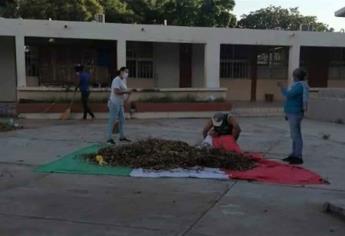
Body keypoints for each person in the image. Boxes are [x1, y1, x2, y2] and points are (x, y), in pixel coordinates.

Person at [278, 68, 309, 165]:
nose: (293, 77)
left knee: (296, 135)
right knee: (294, 135)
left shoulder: (299, 86)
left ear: (296, 76)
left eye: (294, 75)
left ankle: (298, 156)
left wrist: (282, 86)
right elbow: (287, 94)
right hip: (292, 112)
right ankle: (294, 154)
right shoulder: (297, 85)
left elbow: (289, 94)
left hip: (295, 112)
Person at [106, 67, 131, 144]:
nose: (126, 74)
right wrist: (126, 92)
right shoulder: (116, 80)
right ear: (121, 72)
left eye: (127, 72)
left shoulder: (123, 80)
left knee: (122, 120)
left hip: (120, 104)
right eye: (125, 72)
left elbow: (124, 91)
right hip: (114, 103)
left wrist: (127, 94)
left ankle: (122, 137)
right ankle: (109, 139)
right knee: (112, 121)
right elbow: (116, 91)